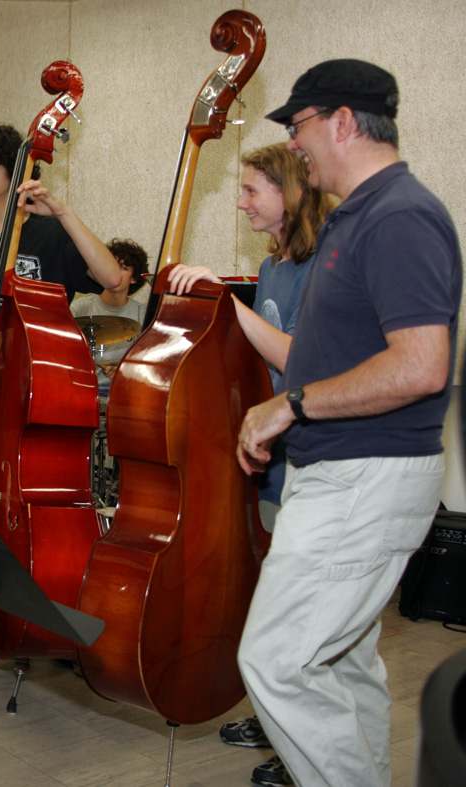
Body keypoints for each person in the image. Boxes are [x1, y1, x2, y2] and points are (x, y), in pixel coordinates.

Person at [234, 60, 460, 787]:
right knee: (343, 659)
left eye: (298, 127)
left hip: (366, 477)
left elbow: (423, 364)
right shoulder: (359, 215)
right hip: (336, 470)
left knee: (276, 659)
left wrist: (291, 404)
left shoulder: (402, 215)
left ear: (341, 121)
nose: (295, 146)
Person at [167, 142, 335, 774]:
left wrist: (227, 303)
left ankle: (303, 749)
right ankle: (273, 716)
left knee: (301, 613)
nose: (240, 202)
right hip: (273, 454)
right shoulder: (274, 269)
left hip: (313, 457)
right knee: (267, 594)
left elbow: (300, 360)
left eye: (251, 191)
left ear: (289, 194)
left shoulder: (325, 267)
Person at [0, 123, 122, 486]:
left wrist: (63, 213)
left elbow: (112, 278)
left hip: (52, 396)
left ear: (17, 170)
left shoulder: (54, 233)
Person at [70, 238, 150, 397]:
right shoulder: (81, 307)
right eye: (111, 265)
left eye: (124, 268)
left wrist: (123, 370)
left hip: (122, 397)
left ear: (134, 278)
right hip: (81, 393)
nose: (114, 272)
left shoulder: (143, 315)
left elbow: (148, 365)